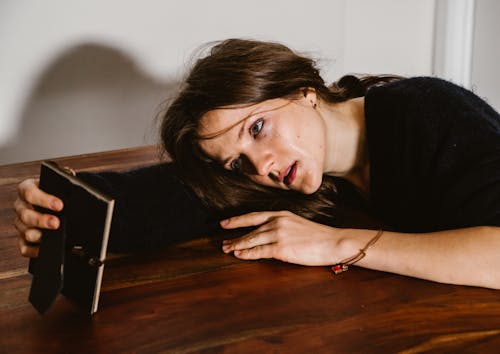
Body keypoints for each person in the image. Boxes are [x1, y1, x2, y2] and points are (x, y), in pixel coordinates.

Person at [14, 39, 500, 289]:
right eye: (236, 163)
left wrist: (336, 244)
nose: (261, 165)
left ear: (304, 91)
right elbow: (178, 195)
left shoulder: (425, 111)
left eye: (257, 128)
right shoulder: (292, 174)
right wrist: (65, 204)